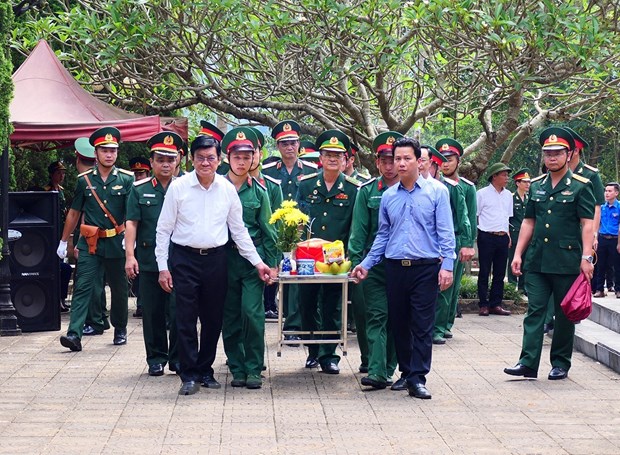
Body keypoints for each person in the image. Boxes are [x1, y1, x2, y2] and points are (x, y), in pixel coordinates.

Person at [155, 134, 273, 396]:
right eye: (200, 158)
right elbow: (163, 230)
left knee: (212, 318)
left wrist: (259, 263)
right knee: (185, 317)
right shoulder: (179, 187)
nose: (205, 163)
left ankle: (205, 370)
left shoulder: (226, 189)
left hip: (217, 260)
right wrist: (163, 266)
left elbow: (239, 231)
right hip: (184, 259)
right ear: (191, 159)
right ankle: (188, 374)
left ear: (219, 160)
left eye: (211, 158)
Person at [351, 136, 456, 400]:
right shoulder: (388, 196)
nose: (400, 163)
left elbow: (446, 232)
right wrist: (366, 264)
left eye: (407, 158)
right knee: (399, 323)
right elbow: (383, 236)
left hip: (425, 267)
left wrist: (448, 266)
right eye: (397, 158)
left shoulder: (437, 192)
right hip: (395, 267)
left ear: (419, 161)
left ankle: (418, 377)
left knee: (421, 324)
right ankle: (406, 373)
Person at [505, 127, 595, 381]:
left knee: (564, 314)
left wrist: (586, 257)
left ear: (569, 155)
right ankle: (528, 362)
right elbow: (529, 222)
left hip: (567, 261)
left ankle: (560, 363)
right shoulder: (536, 186)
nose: (552, 158)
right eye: (548, 153)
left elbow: (587, 223)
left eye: (557, 153)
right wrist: (518, 254)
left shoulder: (581, 186)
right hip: (537, 259)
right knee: (535, 310)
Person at [57, 127, 134, 351]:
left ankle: (120, 327)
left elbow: (131, 215)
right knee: (83, 286)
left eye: (113, 150)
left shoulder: (126, 180)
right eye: (105, 150)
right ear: (96, 153)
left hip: (116, 243)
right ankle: (74, 334)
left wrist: (130, 242)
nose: (109, 154)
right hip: (90, 243)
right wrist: (64, 241)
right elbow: (74, 212)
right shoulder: (84, 181)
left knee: (119, 289)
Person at [296, 129, 360, 374]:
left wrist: (350, 257)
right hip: (308, 257)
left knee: (333, 305)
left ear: (346, 160)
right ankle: (312, 350)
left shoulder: (353, 189)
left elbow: (354, 226)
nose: (333, 159)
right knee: (306, 303)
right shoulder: (307, 184)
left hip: (336, 259)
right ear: (320, 158)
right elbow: (298, 221)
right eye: (328, 154)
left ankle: (328, 355)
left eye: (338, 155)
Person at [221, 127, 278, 389]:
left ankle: (255, 368)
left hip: (252, 261)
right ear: (228, 158)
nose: (242, 162)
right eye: (237, 157)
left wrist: (273, 263)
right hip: (223, 260)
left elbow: (268, 229)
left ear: (254, 158)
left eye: (247, 156)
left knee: (252, 314)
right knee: (229, 316)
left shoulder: (259, 191)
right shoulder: (216, 187)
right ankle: (237, 367)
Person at [125, 132, 182, 377]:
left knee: (180, 311)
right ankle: (156, 357)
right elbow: (132, 223)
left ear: (178, 161)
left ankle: (178, 359)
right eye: (161, 159)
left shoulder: (186, 187)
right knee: (152, 311)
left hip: (180, 259)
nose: (166, 164)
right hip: (148, 261)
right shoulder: (140, 190)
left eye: (170, 159)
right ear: (152, 162)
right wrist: (130, 255)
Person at [349, 131, 402, 389]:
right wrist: (357, 263)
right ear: (377, 162)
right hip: (374, 266)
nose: (390, 166)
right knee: (376, 316)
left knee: (397, 317)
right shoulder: (367, 191)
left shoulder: (415, 190)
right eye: (385, 160)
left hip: (404, 265)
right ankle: (378, 370)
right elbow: (358, 233)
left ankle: (390, 366)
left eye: (394, 160)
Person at [262, 120, 317, 343]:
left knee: (296, 279)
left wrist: (300, 233)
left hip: (302, 232)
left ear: (299, 145)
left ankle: (293, 325)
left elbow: (310, 203)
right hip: (275, 231)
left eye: (293, 143)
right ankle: (279, 314)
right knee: (276, 275)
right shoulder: (268, 171)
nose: (289, 147)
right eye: (284, 144)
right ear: (277, 146)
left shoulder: (311, 171)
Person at [421, 146, 473, 344]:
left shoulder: (451, 187)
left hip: (449, 241)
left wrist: (466, 243)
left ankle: (439, 328)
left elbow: (464, 217)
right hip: (426, 243)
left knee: (445, 288)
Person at [438, 138, 477, 326]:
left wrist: (468, 244)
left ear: (458, 161)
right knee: (440, 285)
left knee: (451, 286)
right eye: (442, 159)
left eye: (450, 159)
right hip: (437, 241)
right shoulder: (435, 186)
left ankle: (446, 323)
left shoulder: (467, 187)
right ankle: (439, 324)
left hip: (457, 240)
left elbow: (469, 218)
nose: (445, 164)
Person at [247, 127, 283, 320]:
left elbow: (275, 228)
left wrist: (275, 262)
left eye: (254, 152)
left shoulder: (271, 187)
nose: (250, 158)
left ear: (261, 154)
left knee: (254, 312)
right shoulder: (224, 185)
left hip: (261, 251)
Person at [475, 162, 514, 316]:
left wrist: (508, 235)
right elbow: (476, 216)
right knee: (484, 271)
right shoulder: (482, 194)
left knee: (499, 272)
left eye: (507, 175)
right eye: (503, 175)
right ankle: (483, 304)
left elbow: (507, 218)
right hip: (486, 236)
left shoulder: (508, 195)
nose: (507, 178)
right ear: (494, 176)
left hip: (502, 237)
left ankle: (495, 304)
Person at [44, 161, 72, 313]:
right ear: (52, 174)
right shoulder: (47, 191)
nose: (62, 176)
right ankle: (55, 300)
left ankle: (61, 299)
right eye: (58, 173)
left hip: (60, 234)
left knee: (62, 268)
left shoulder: (60, 191)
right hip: (51, 236)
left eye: (63, 173)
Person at [127, 156, 152, 318]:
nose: (138, 176)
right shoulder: (132, 189)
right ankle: (141, 304)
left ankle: (144, 304)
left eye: (141, 173)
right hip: (138, 240)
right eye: (135, 173)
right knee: (139, 274)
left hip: (151, 239)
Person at [593, 182, 620, 298]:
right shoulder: (601, 208)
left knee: (617, 265)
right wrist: (595, 238)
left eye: (610, 191)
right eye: (606, 191)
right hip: (602, 238)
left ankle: (618, 289)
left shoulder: (619, 207)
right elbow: (597, 224)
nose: (607, 193)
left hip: (614, 239)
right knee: (600, 265)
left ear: (616, 193)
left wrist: (619, 242)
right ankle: (599, 289)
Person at [507, 169, 531, 292]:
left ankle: (523, 287)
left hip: (527, 236)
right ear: (517, 183)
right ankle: (511, 286)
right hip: (514, 233)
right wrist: (508, 235)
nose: (527, 184)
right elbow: (506, 218)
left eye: (529, 182)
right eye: (524, 182)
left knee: (526, 260)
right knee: (512, 259)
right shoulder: (511, 198)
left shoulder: (529, 199)